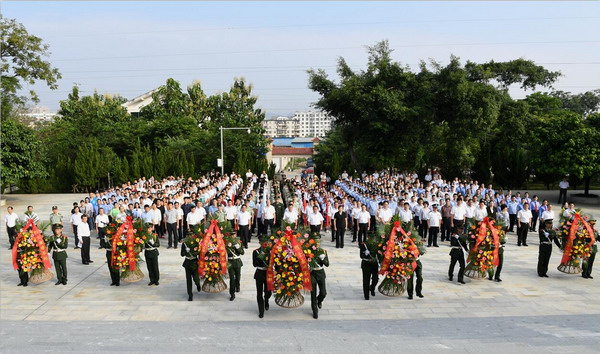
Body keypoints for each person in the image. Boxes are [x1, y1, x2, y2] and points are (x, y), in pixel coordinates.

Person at [310, 233, 329, 319]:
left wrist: (323, 259)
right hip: (312, 273)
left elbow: (327, 264)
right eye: (315, 241)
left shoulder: (323, 251)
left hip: (320, 272)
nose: (317, 243)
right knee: (313, 293)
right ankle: (315, 311)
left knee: (323, 292)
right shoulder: (308, 251)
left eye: (318, 241)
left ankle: (319, 300)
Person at [253, 236, 272, 318]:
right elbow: (254, 264)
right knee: (259, 293)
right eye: (263, 243)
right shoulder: (256, 252)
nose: (265, 245)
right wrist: (260, 257)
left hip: (268, 273)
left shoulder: (270, 252)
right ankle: (261, 311)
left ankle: (266, 300)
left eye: (266, 243)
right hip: (259, 273)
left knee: (268, 292)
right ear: (260, 243)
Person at [181, 232, 201, 301]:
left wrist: (193, 252)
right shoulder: (184, 244)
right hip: (187, 263)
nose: (190, 237)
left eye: (191, 235)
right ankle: (190, 294)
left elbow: (199, 252)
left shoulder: (196, 243)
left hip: (194, 262)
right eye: (188, 235)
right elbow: (182, 254)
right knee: (188, 280)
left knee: (196, 278)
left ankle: (198, 285)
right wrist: (186, 252)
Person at [227, 235, 244, 301]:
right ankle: (232, 293)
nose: (232, 237)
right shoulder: (226, 243)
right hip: (230, 263)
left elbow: (242, 252)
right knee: (232, 279)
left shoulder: (239, 242)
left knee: (238, 276)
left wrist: (238, 247)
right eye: (231, 235)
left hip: (237, 262)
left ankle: (238, 286)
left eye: (233, 235)